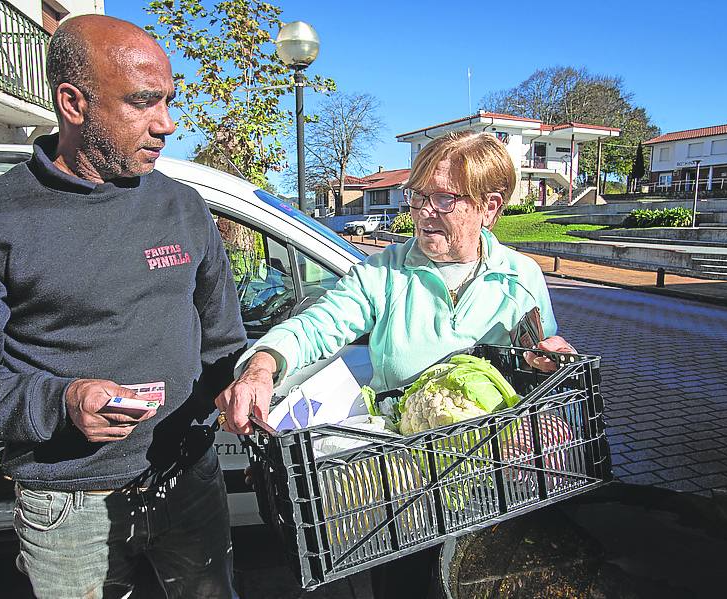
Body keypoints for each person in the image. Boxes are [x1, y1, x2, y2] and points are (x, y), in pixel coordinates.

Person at [0, 15, 246, 599]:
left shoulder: (184, 208)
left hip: (189, 481)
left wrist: (250, 381)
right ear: (74, 102)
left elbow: (223, 343)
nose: (166, 124)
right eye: (143, 103)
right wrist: (60, 402)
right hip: (69, 505)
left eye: (168, 101)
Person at [214, 130, 574, 599]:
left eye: (445, 199)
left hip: (491, 483)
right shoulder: (384, 272)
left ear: (490, 207)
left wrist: (547, 359)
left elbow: (536, 354)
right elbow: (317, 325)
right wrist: (262, 365)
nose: (424, 211)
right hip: (405, 486)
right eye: (418, 195)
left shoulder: (521, 276)